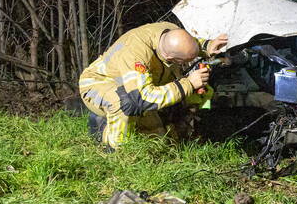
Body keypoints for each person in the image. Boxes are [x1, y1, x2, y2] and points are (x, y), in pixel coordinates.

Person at [78, 23, 228, 149]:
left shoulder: (170, 31)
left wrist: (207, 46)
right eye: (182, 62)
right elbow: (142, 98)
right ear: (170, 58)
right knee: (124, 104)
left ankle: (192, 130)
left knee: (158, 141)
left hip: (137, 85)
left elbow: (187, 42)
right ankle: (116, 152)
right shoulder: (136, 54)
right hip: (100, 83)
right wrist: (188, 83)